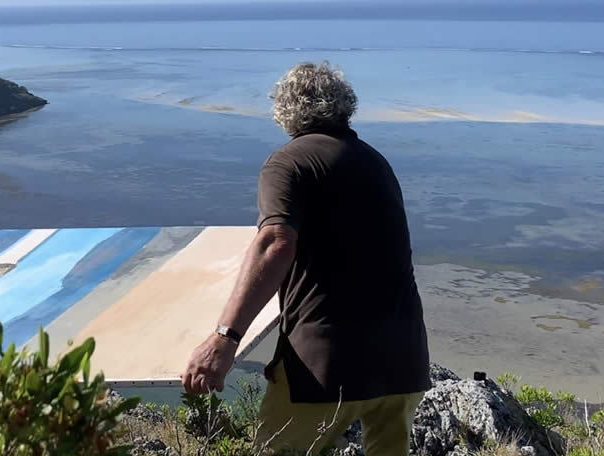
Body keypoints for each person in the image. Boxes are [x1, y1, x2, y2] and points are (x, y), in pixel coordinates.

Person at [180, 61, 431, 455]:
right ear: (344, 106)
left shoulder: (288, 163)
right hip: (403, 359)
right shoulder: (376, 162)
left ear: (284, 110)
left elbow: (275, 243)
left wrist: (225, 338)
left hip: (325, 365)